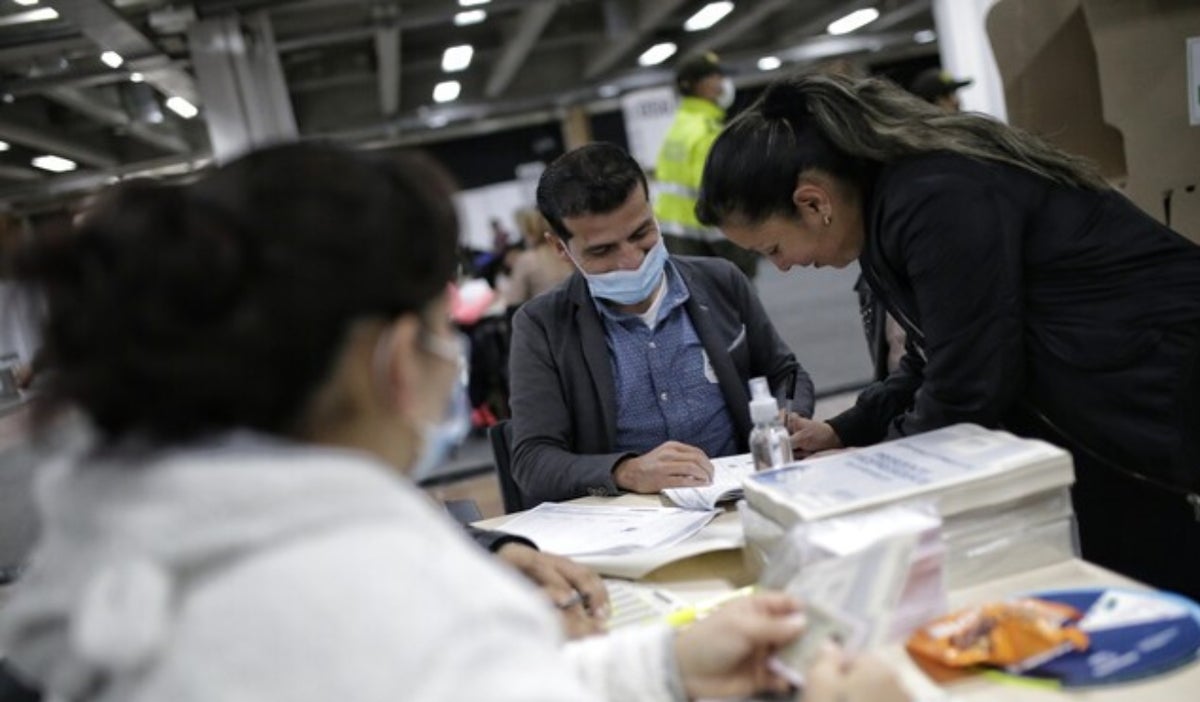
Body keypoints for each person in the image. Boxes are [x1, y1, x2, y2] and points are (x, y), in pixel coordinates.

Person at [0, 142, 909, 702]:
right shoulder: (383, 600)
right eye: (443, 325)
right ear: (399, 360)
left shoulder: (150, 555)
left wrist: (663, 671)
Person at [695, 71, 1200, 598]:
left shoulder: (935, 196)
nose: (782, 268)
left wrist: (871, 466)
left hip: (1157, 394)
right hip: (1106, 408)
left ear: (814, 203)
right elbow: (932, 352)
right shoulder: (884, 212)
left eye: (773, 249)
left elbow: (967, 385)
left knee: (1164, 589)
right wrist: (844, 430)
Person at [509, 143, 814, 506]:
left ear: (652, 210)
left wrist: (787, 415)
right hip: (632, 518)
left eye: (641, 234)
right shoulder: (542, 326)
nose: (631, 260)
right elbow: (533, 460)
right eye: (602, 250)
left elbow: (786, 374)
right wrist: (625, 471)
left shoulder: (721, 282)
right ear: (561, 248)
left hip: (739, 498)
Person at [655, 52, 758, 279]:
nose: (723, 83)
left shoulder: (679, 128)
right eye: (716, 77)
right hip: (706, 241)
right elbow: (715, 195)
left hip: (675, 238)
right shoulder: (706, 132)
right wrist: (740, 250)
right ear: (700, 86)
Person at [505, 207, 574, 306]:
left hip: (547, 313)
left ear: (529, 232)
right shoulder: (570, 251)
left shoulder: (527, 260)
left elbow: (514, 302)